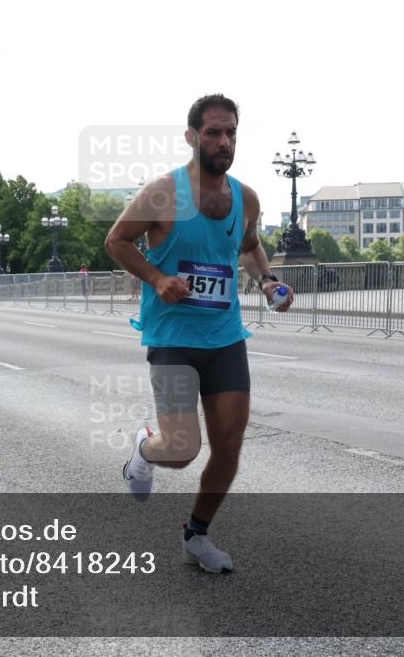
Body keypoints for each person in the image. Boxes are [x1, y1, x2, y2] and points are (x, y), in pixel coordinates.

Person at [104, 94, 294, 574]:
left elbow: (250, 247)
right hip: (172, 337)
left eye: (231, 132)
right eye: (213, 132)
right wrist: (157, 279)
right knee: (182, 449)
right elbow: (116, 240)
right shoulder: (163, 193)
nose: (224, 141)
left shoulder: (245, 198)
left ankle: (197, 534)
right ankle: (146, 447)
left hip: (225, 336)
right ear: (192, 137)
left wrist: (268, 280)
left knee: (229, 446)